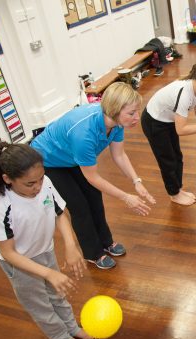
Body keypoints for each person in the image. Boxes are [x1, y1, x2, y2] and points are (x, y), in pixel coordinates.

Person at [0, 142, 94, 339]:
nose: (38, 186)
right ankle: (62, 338)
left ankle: (71, 327)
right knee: (40, 304)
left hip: (45, 249)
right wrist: (48, 273)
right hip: (19, 262)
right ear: (8, 179)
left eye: (41, 178)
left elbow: (60, 214)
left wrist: (71, 245)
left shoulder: (46, 184)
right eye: (30, 183)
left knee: (57, 294)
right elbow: (8, 252)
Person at [31, 82, 155, 270]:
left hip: (71, 157)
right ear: (114, 110)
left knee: (94, 197)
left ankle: (106, 242)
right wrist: (126, 197)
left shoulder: (116, 124)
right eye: (131, 113)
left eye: (137, 111)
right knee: (79, 205)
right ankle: (92, 253)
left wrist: (136, 181)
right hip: (49, 160)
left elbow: (119, 155)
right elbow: (93, 177)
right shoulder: (84, 134)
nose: (136, 117)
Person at [141, 61, 196, 206]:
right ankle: (174, 194)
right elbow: (181, 130)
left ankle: (177, 189)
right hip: (154, 123)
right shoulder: (184, 93)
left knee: (177, 156)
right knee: (168, 160)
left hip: (167, 121)